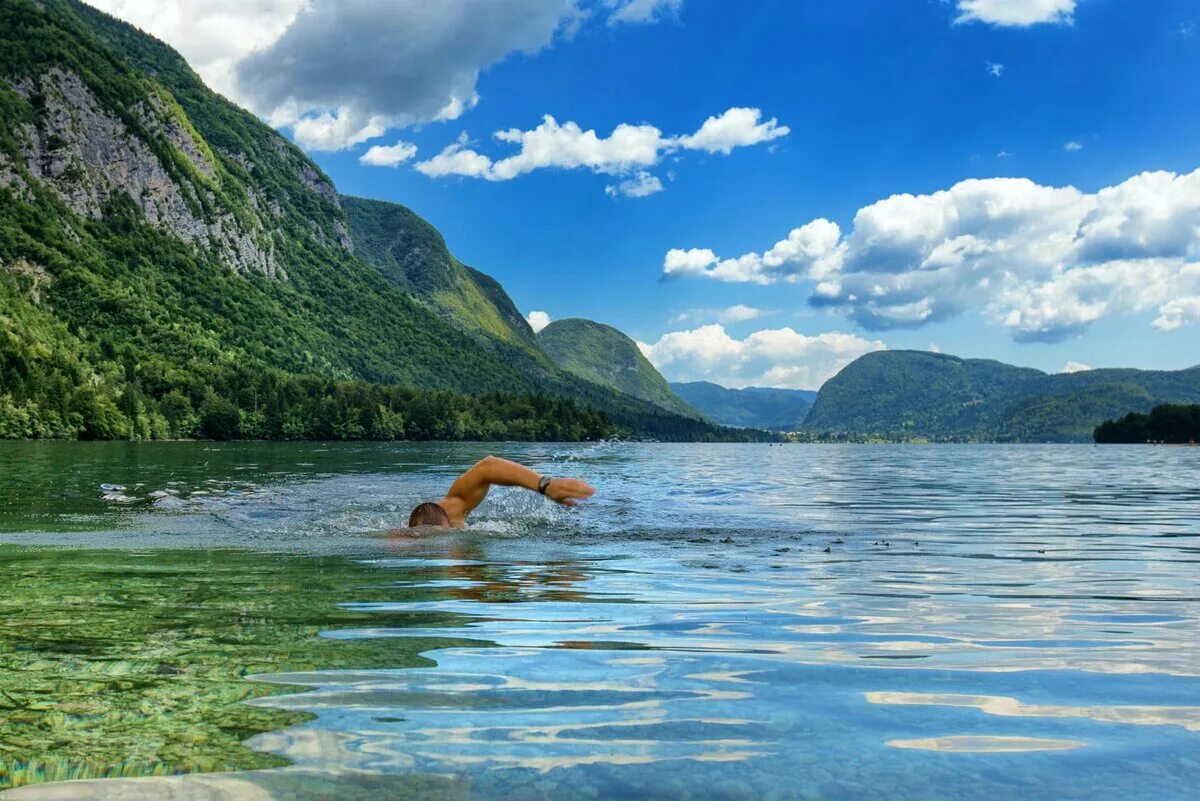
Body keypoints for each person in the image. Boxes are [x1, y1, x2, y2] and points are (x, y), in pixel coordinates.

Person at [408, 455, 595, 529]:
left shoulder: (452, 510)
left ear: (451, 522)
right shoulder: (398, 544)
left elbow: (487, 467)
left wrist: (546, 486)